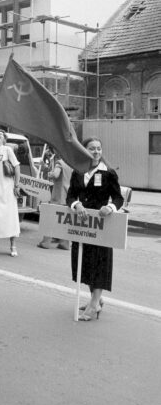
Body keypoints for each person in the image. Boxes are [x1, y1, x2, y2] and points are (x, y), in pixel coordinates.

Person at [66, 137, 123, 321]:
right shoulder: (78, 172)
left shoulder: (108, 173)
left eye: (99, 148)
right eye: (92, 149)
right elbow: (70, 196)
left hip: (101, 226)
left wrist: (111, 208)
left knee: (99, 264)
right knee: (86, 264)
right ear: (84, 151)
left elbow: (118, 198)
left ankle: (93, 305)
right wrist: (76, 205)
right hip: (82, 226)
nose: (96, 152)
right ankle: (96, 300)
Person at [37, 154, 73, 250]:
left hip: (58, 195)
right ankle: (64, 243)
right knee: (64, 221)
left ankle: (46, 242)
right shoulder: (71, 164)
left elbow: (56, 174)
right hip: (68, 195)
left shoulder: (59, 163)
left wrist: (50, 174)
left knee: (50, 219)